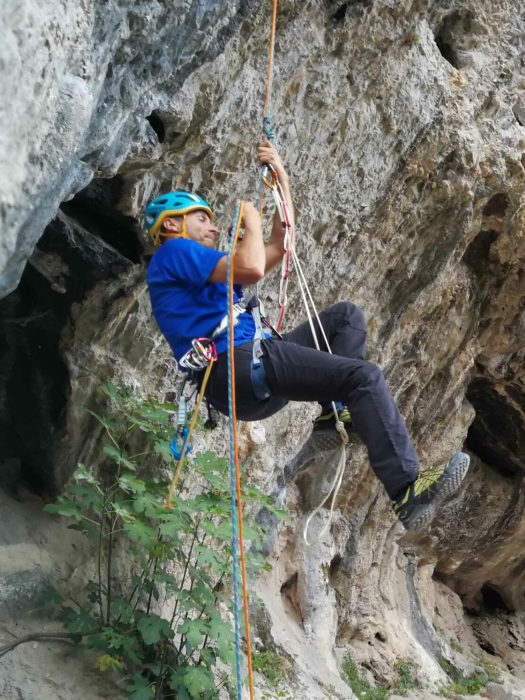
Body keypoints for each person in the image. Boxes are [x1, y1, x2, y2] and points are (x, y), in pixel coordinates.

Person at [141, 140, 468, 531]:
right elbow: (253, 267)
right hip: (238, 366)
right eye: (201, 218)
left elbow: (280, 246)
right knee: (363, 378)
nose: (212, 226)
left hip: (251, 372)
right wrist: (249, 222)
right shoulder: (172, 252)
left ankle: (334, 416)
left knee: (344, 318)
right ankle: (406, 493)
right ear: (173, 225)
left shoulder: (195, 265)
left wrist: (281, 175)